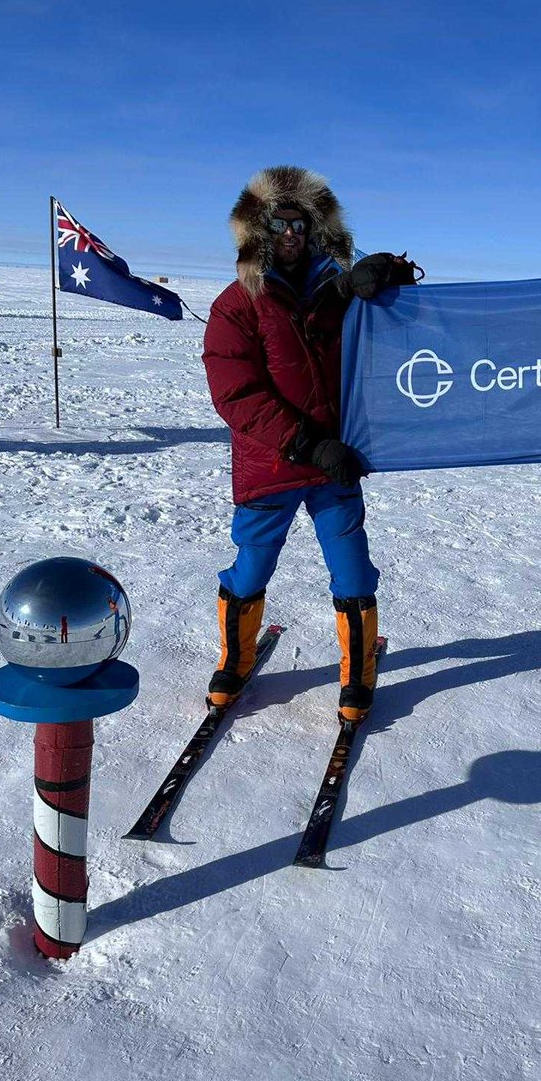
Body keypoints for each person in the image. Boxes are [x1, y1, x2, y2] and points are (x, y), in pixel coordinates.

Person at [202, 165, 417, 722]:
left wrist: (384, 271)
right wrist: (307, 444)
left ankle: (358, 673)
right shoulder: (236, 305)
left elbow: (388, 294)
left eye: (300, 223)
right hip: (272, 466)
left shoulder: (335, 295)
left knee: (353, 570)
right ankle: (234, 660)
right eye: (279, 222)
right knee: (250, 569)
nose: (291, 233)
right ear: (258, 232)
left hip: (334, 467)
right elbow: (237, 395)